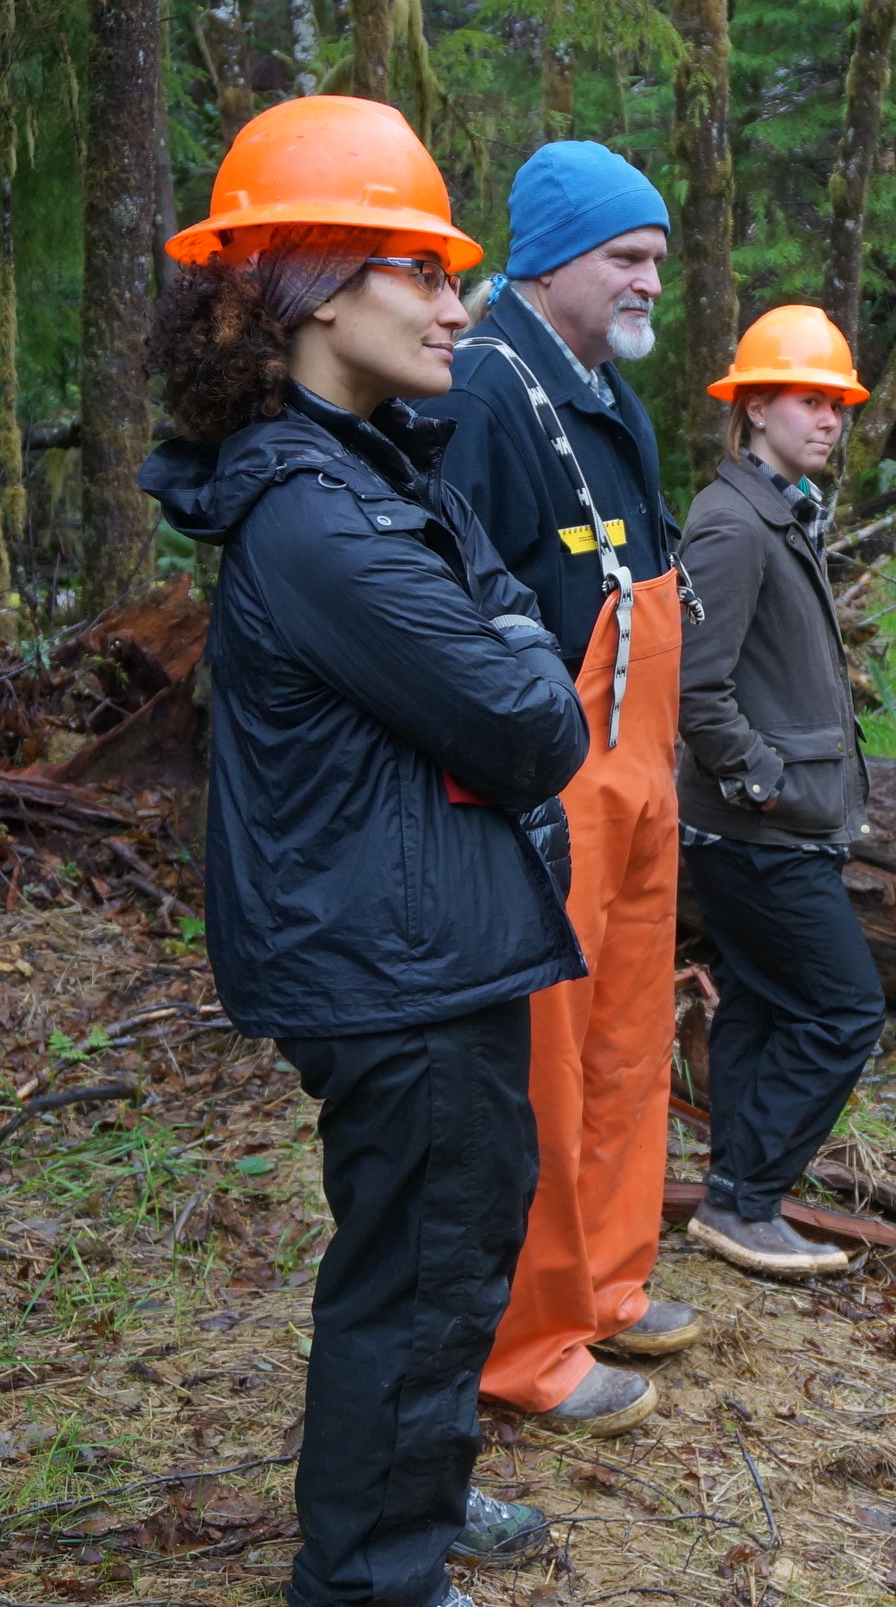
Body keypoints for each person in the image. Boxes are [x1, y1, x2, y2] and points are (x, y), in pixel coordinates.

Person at [139, 96, 588, 1607]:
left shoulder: (368, 463)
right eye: (428, 272)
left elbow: (501, 622)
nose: (462, 307)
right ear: (321, 283)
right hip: (391, 957)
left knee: (453, 1241)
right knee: (417, 1272)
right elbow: (531, 723)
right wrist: (520, 641)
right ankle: (373, 1580)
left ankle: (421, 1497)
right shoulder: (315, 517)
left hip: (419, 932)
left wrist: (508, 631)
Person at [431, 141, 701, 1439]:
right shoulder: (482, 390)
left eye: (655, 256)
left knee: (628, 1037)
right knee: (544, 1054)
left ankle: (606, 1278)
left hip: (638, 767)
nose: (651, 279)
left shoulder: (607, 390)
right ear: (549, 259)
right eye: (626, 258)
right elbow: (455, 608)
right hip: (553, 778)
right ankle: (529, 1342)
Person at [675, 306, 887, 1274]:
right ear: (754, 404)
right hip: (756, 833)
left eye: (837, 403)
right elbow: (694, 686)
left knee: (761, 1002)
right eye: (810, 399)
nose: (830, 419)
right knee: (844, 1009)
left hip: (777, 827)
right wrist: (761, 782)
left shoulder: (777, 508)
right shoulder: (732, 522)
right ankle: (749, 1200)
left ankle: (730, 1198)